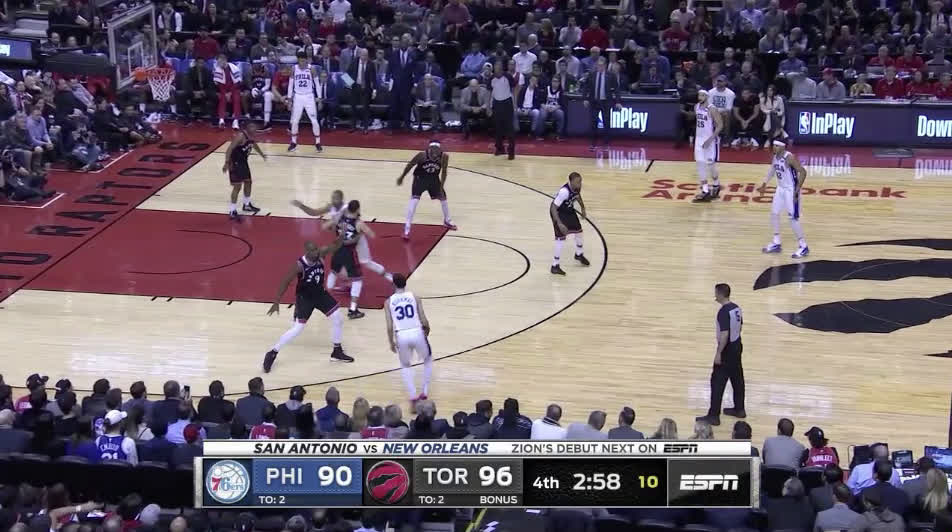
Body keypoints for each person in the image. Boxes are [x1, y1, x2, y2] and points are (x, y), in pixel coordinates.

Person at [263, 240, 354, 372]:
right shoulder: (300, 265)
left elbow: (334, 246)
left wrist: (341, 236)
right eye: (313, 250)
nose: (316, 252)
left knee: (338, 318)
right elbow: (285, 282)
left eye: (316, 249)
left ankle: (337, 351)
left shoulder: (321, 255)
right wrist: (276, 302)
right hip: (305, 299)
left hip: (320, 294)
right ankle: (272, 352)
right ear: (307, 252)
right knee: (298, 328)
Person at [321, 200, 392, 318]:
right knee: (359, 275)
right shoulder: (358, 222)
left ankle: (325, 296)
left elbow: (325, 226)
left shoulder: (339, 218)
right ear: (357, 209)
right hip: (350, 251)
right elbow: (372, 235)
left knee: (334, 271)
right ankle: (353, 308)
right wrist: (359, 234)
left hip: (337, 249)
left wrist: (334, 227)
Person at [697, 283, 744, 426]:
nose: (715, 295)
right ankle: (739, 409)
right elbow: (740, 326)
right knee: (737, 378)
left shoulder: (723, 312)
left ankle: (713, 415)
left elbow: (724, 334)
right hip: (737, 346)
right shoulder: (736, 308)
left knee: (717, 382)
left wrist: (719, 353)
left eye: (716, 293)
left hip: (727, 350)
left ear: (720, 294)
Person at [396, 140, 458, 240]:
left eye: (437, 149)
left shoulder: (444, 157)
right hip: (420, 180)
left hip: (433, 179)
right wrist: (402, 177)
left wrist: (441, 187)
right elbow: (410, 165)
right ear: (429, 148)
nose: (435, 151)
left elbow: (444, 172)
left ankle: (447, 221)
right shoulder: (422, 155)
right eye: (433, 149)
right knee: (414, 201)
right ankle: (406, 230)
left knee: (443, 198)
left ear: (440, 149)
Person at [385, 273, 433, 403]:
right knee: (427, 359)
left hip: (401, 334)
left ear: (393, 284)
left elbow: (389, 326)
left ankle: (413, 395)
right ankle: (424, 391)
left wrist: (391, 342)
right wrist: (427, 331)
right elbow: (423, 319)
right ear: (405, 283)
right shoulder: (414, 297)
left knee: (405, 366)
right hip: (417, 331)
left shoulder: (388, 302)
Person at [759, 140, 809, 258]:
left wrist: (797, 189)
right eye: (773, 145)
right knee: (774, 213)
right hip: (780, 188)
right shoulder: (775, 157)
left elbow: (803, 172)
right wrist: (764, 183)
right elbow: (772, 170)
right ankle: (776, 242)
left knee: (793, 218)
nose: (774, 147)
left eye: (777, 145)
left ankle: (803, 246)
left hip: (791, 190)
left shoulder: (789, 158)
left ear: (783, 147)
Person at [222, 123, 266, 221]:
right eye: (253, 127)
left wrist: (262, 154)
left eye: (255, 127)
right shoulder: (241, 136)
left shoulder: (251, 136)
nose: (255, 129)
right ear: (247, 128)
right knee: (237, 187)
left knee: (248, 182)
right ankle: (232, 210)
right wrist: (226, 163)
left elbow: (253, 144)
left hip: (243, 163)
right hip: (235, 163)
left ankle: (246, 204)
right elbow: (229, 149)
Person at [549, 171, 589, 275]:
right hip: (558, 213)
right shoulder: (564, 192)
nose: (580, 184)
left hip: (568, 210)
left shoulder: (576, 187)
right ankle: (555, 266)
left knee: (579, 231)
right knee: (560, 239)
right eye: (577, 182)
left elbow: (577, 196)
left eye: (580, 181)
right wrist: (559, 223)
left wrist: (583, 208)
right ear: (571, 182)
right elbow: (553, 207)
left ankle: (579, 254)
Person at [692, 90, 724, 202]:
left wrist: (710, 139)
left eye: (702, 95)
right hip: (699, 140)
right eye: (699, 95)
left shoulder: (712, 108)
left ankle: (716, 185)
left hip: (711, 140)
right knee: (700, 163)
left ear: (707, 96)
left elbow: (720, 125)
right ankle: (705, 191)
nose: (699, 97)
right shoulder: (696, 107)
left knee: (711, 165)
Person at [287, 50, 322, 153]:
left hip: (309, 96)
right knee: (295, 121)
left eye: (303, 61)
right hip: (298, 96)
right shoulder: (294, 69)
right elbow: (290, 85)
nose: (302, 63)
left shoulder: (312, 69)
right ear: (298, 60)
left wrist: (319, 98)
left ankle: (318, 142)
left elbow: (317, 84)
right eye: (300, 61)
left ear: (306, 60)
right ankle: (293, 142)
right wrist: (289, 100)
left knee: (314, 120)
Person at [584, 57, 620, 149]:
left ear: (605, 65)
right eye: (598, 65)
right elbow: (586, 87)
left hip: (606, 102)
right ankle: (593, 143)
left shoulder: (611, 75)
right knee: (593, 122)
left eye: (601, 65)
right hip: (594, 102)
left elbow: (616, 89)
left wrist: (618, 102)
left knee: (606, 123)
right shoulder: (592, 74)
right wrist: (585, 99)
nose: (599, 67)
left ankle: (606, 144)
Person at [490, 62, 517, 159]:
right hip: (496, 103)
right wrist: (488, 107)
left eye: (498, 68)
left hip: (507, 103)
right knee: (498, 127)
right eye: (495, 68)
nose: (497, 70)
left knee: (509, 128)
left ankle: (511, 151)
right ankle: (499, 148)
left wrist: (515, 103)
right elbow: (489, 92)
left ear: (502, 69)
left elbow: (514, 89)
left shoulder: (508, 77)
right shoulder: (491, 78)